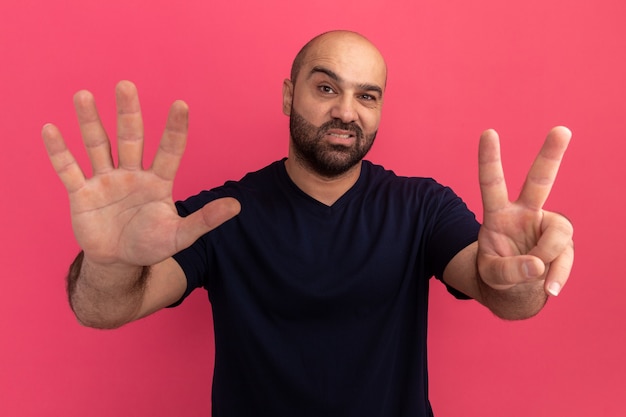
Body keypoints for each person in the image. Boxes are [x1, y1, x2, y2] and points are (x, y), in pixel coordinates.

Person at [42, 30, 574, 416]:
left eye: (367, 96)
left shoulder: (422, 207)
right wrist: (108, 263)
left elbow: (499, 290)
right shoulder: (222, 213)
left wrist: (522, 276)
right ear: (287, 95)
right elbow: (104, 309)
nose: (347, 111)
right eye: (326, 88)